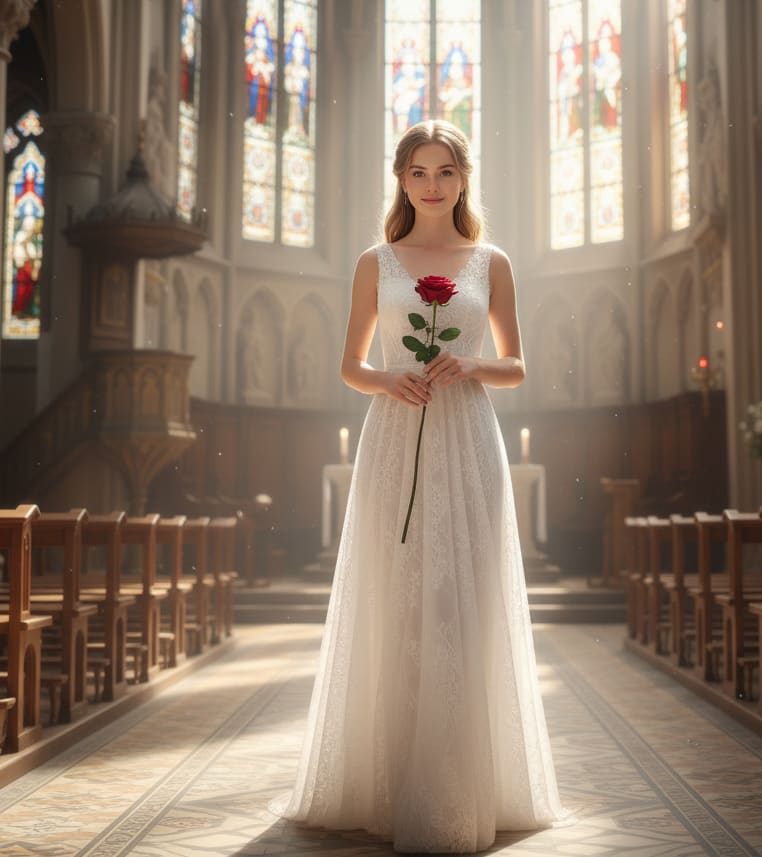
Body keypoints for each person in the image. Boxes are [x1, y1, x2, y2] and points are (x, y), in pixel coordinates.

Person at [272, 119, 564, 853]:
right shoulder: (377, 260)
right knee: (397, 597)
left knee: (461, 599)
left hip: (468, 437)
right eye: (418, 172)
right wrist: (386, 378)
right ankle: (387, 781)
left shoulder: (491, 261)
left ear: (465, 179)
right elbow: (349, 366)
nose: (432, 185)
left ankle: (465, 784)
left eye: (445, 171)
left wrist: (470, 366)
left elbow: (518, 363)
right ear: (400, 181)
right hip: (396, 437)